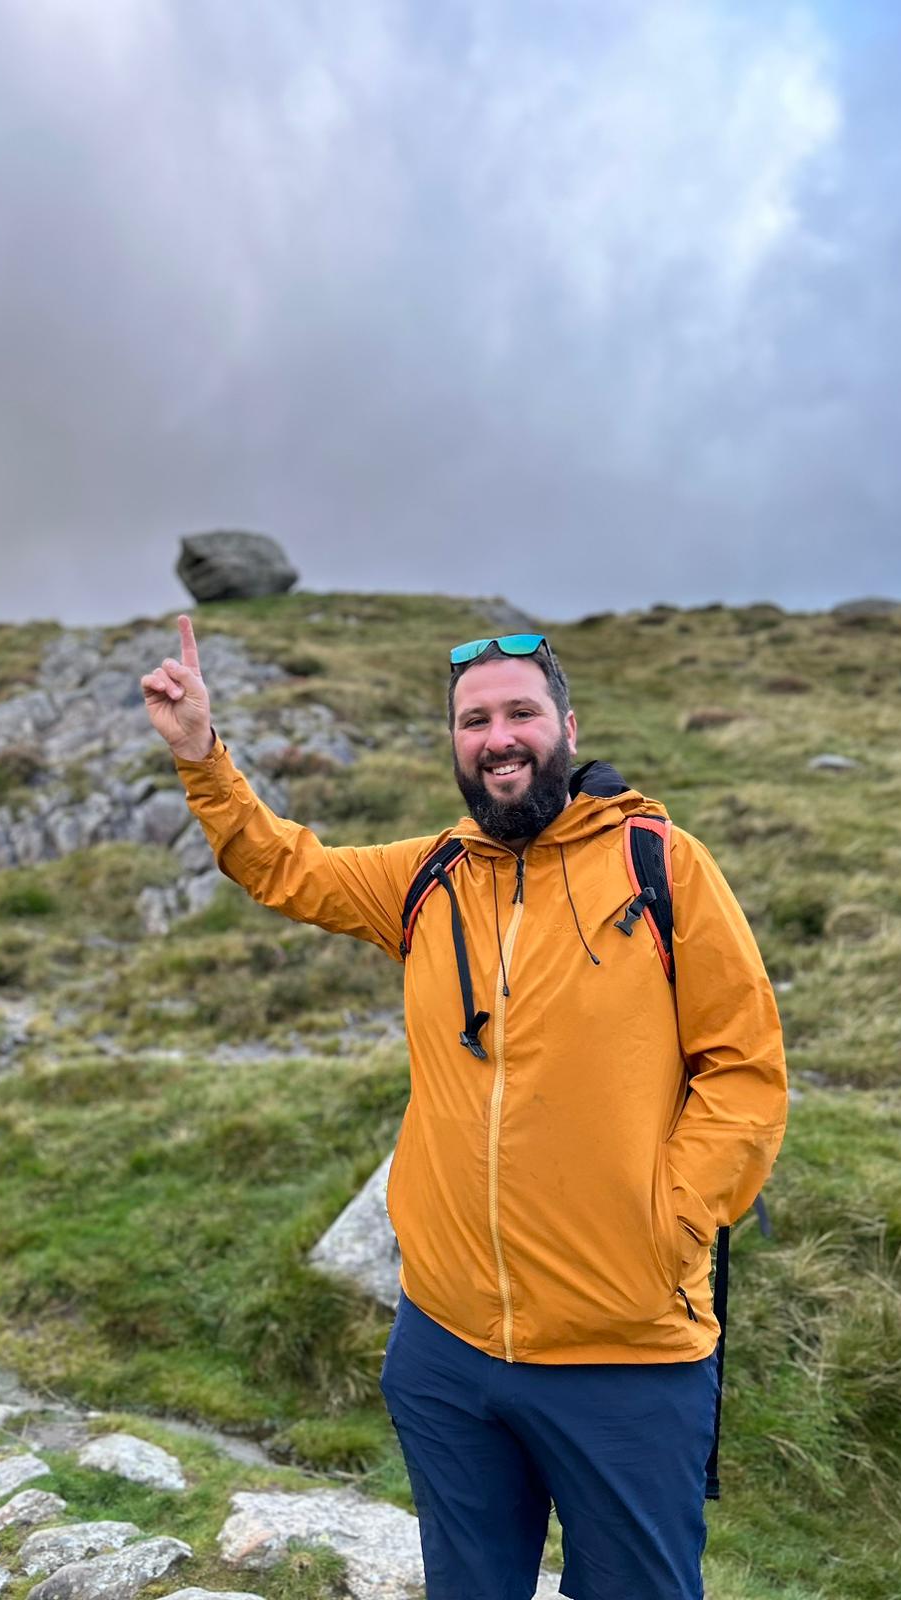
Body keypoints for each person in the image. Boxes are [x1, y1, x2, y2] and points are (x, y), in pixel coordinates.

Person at [142, 617, 787, 1600]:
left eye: (520, 712)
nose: (499, 737)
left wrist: (673, 1221)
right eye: (474, 719)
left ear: (567, 724)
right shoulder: (431, 874)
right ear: (455, 742)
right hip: (445, 1344)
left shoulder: (662, 867)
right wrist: (202, 757)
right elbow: (285, 865)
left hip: (625, 1352)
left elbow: (744, 1068)